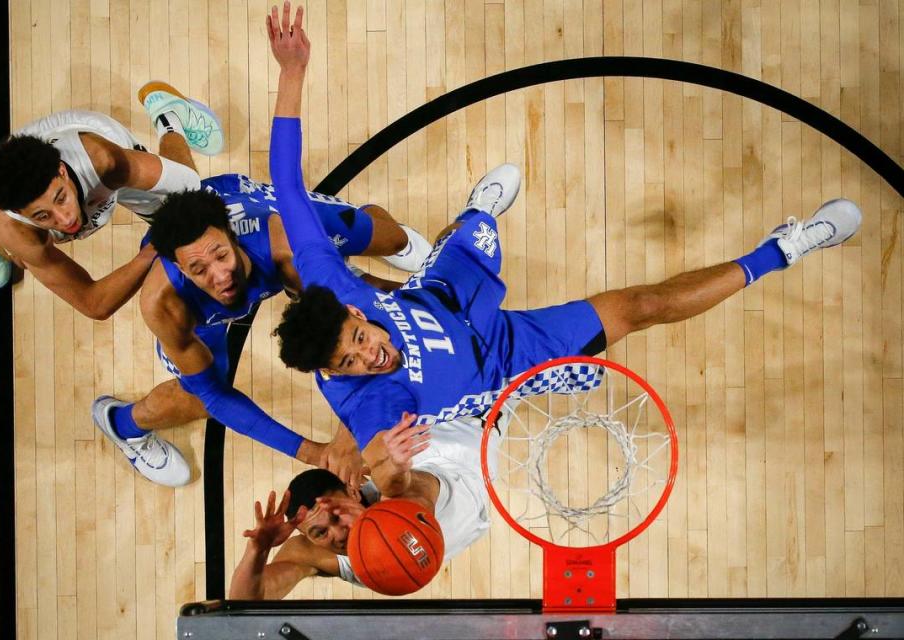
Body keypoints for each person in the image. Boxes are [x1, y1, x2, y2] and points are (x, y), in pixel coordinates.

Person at [265, 1, 864, 468]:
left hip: (440, 296)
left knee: (464, 237)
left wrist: (292, 73)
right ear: (338, 375)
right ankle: (784, 249)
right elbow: (383, 471)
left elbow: (288, 188)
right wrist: (376, 462)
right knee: (640, 306)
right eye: (353, 362)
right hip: (506, 360)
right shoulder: (369, 404)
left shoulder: (326, 283)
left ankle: (476, 217)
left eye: (360, 338)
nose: (372, 355)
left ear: (350, 308)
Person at [90, 157, 432, 488]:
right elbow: (216, 397)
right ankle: (121, 424)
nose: (220, 275)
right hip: (208, 317)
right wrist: (313, 452)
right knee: (197, 397)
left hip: (260, 210)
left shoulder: (284, 246)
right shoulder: (163, 303)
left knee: (389, 239)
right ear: (180, 269)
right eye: (199, 270)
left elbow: (353, 324)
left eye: (221, 255)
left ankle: (352, 263)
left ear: (230, 235)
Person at [0, 82, 221, 317]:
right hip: (24, 175)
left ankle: (168, 114)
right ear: (21, 212)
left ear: (61, 172)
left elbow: (189, 184)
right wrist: (151, 251)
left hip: (89, 139)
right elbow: (93, 303)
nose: (65, 219)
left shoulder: (107, 160)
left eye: (60, 198)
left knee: (185, 198)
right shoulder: (16, 226)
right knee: (13, 254)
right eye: (42, 215)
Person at [227, 410, 504, 599]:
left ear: (353, 491)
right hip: (479, 446)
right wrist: (257, 550)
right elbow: (246, 604)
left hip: (468, 416)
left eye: (337, 516)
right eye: (320, 532)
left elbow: (404, 489)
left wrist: (386, 486)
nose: (337, 534)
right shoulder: (313, 553)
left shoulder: (407, 495)